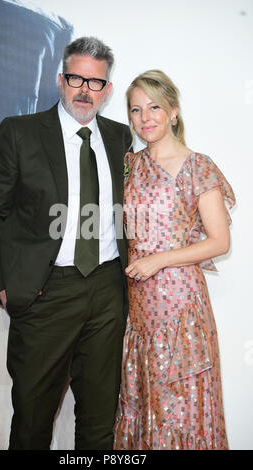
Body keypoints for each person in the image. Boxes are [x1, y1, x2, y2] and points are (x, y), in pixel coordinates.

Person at [0, 36, 132, 450]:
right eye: (76, 78)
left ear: (107, 90)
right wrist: (2, 282)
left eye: (95, 82)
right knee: (32, 423)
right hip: (45, 293)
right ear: (61, 80)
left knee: (99, 423)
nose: (85, 89)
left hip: (107, 289)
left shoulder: (120, 139)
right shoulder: (19, 132)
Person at [114, 70, 235, 450]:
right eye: (136, 110)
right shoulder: (129, 165)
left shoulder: (197, 165)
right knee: (143, 400)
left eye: (154, 107)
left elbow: (219, 241)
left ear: (173, 112)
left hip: (181, 307)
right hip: (140, 308)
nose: (145, 117)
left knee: (180, 403)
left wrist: (160, 260)